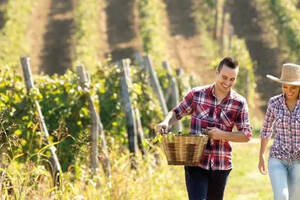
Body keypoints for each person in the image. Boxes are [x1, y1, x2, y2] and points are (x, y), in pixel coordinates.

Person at [157, 57, 252, 200]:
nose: (227, 83)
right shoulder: (197, 94)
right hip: (196, 162)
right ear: (217, 73)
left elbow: (246, 135)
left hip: (221, 165)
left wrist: (221, 134)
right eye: (224, 77)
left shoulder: (239, 103)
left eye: (232, 79)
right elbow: (176, 113)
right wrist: (165, 122)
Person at [258, 63, 300, 200]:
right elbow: (266, 129)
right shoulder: (274, 103)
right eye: (285, 86)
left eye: (293, 87)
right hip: (278, 158)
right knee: (282, 196)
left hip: (298, 161)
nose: (288, 90)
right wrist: (261, 155)